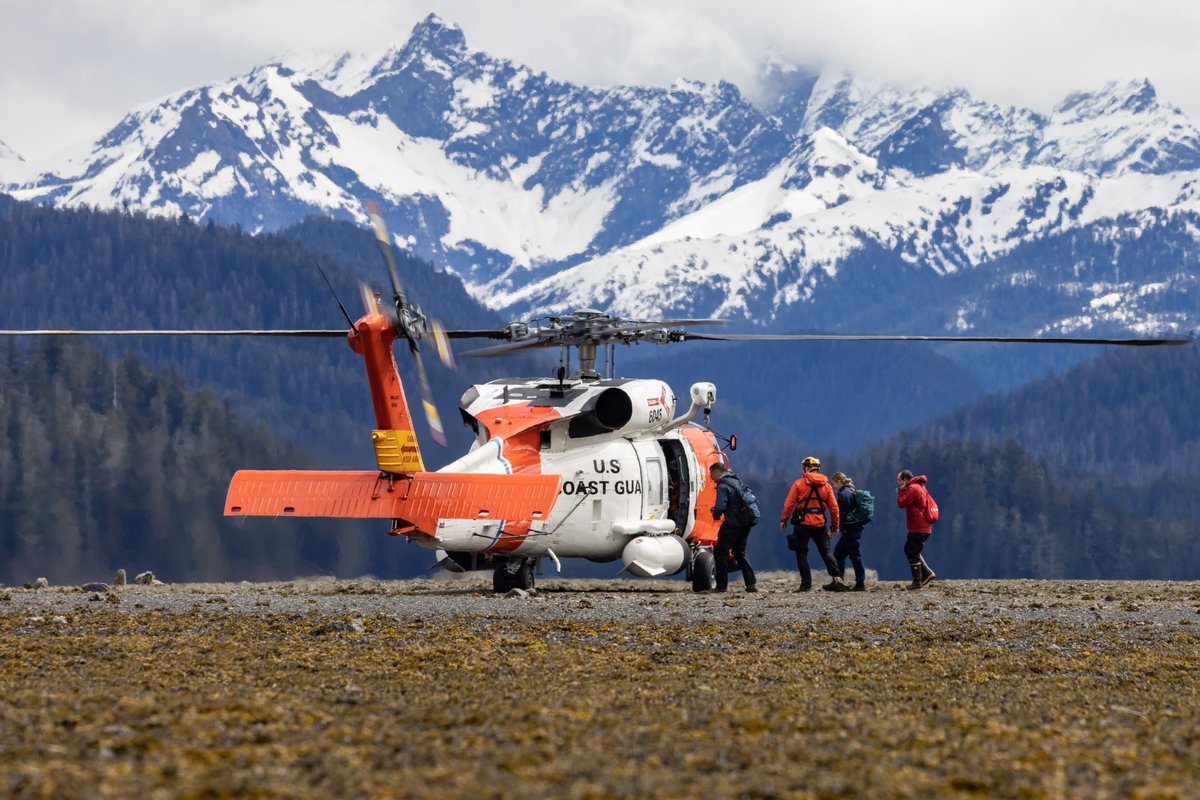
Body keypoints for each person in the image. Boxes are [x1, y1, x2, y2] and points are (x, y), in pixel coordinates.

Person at [780, 456, 845, 591]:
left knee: (801, 552)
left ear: (807, 467)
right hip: (820, 524)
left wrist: (784, 519)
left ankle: (806, 585)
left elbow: (789, 503)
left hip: (802, 524)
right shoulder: (826, 486)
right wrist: (835, 525)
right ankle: (837, 578)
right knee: (826, 552)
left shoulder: (798, 483)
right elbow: (834, 507)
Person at [709, 462, 758, 593]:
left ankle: (721, 586)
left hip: (732, 524)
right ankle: (751, 584)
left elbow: (720, 506)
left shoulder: (723, 485)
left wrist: (715, 514)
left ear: (716, 472)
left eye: (711, 474)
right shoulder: (735, 480)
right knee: (740, 552)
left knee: (720, 553)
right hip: (746, 522)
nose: (710, 477)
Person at [896, 469, 936, 589]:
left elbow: (901, 503)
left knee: (911, 550)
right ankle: (927, 574)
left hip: (918, 526)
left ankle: (917, 581)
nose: (898, 483)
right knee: (912, 550)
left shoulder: (913, 488)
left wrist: (902, 490)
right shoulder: (919, 486)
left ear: (905, 480)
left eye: (899, 480)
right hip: (923, 526)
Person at [831, 471, 867, 591]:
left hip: (850, 530)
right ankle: (839, 580)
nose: (834, 486)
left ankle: (860, 583)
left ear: (840, 482)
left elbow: (841, 514)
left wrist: (834, 527)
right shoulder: (852, 490)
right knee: (839, 554)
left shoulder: (843, 495)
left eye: (835, 484)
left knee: (855, 555)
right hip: (854, 529)